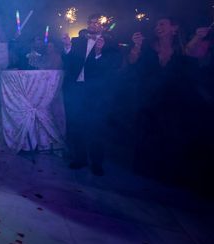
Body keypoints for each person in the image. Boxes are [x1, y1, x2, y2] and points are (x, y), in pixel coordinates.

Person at [128, 17, 201, 184]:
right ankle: (144, 172)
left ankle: (166, 175)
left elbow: (191, 68)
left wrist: (197, 38)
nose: (157, 27)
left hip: (173, 102)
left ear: (174, 28)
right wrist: (137, 47)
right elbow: (132, 62)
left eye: (162, 24)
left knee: (169, 136)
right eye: (156, 24)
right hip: (148, 99)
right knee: (146, 135)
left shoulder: (182, 49)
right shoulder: (148, 47)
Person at [62, 14, 119, 176]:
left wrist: (99, 52)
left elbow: (113, 66)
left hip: (96, 92)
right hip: (76, 90)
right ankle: (80, 159)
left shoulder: (111, 44)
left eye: (96, 23)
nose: (93, 25)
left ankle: (97, 163)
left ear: (102, 25)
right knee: (76, 125)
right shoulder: (77, 41)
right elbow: (69, 63)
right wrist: (67, 47)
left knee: (96, 127)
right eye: (90, 22)